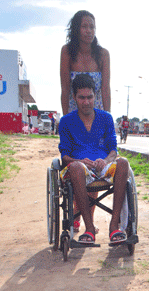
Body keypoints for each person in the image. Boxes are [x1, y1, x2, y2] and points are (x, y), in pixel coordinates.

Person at [58, 74, 128, 245]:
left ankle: (114, 227)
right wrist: (80, 161)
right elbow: (64, 156)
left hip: (103, 167)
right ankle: (89, 229)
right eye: (81, 98)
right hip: (78, 169)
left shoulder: (105, 118)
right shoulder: (66, 121)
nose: (86, 101)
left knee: (123, 163)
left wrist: (105, 160)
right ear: (75, 98)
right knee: (75, 167)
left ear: (94, 97)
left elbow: (113, 149)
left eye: (90, 97)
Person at [60, 10, 111, 232]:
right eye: (84, 26)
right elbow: (64, 88)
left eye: (92, 26)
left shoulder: (102, 54)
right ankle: (77, 216)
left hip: (96, 113)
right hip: (74, 112)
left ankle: (85, 216)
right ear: (76, 29)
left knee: (96, 167)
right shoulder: (67, 53)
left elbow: (106, 89)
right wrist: (66, 122)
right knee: (78, 166)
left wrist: (106, 118)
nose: (89, 31)